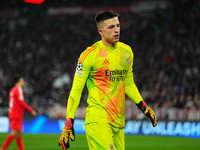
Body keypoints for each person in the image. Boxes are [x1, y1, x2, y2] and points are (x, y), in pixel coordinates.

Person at [58, 10, 157, 150]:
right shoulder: (89, 55)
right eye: (111, 27)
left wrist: (143, 106)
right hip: (98, 118)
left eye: (118, 26)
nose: (116, 30)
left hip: (118, 120)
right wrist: (69, 120)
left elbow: (128, 83)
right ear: (101, 32)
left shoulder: (127, 52)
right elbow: (76, 89)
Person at [1, 75, 37, 150]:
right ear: (19, 81)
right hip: (16, 115)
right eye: (22, 80)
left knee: (19, 134)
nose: (23, 82)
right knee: (14, 133)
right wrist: (31, 110)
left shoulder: (12, 90)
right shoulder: (18, 89)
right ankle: (3, 148)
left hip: (13, 113)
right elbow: (21, 103)